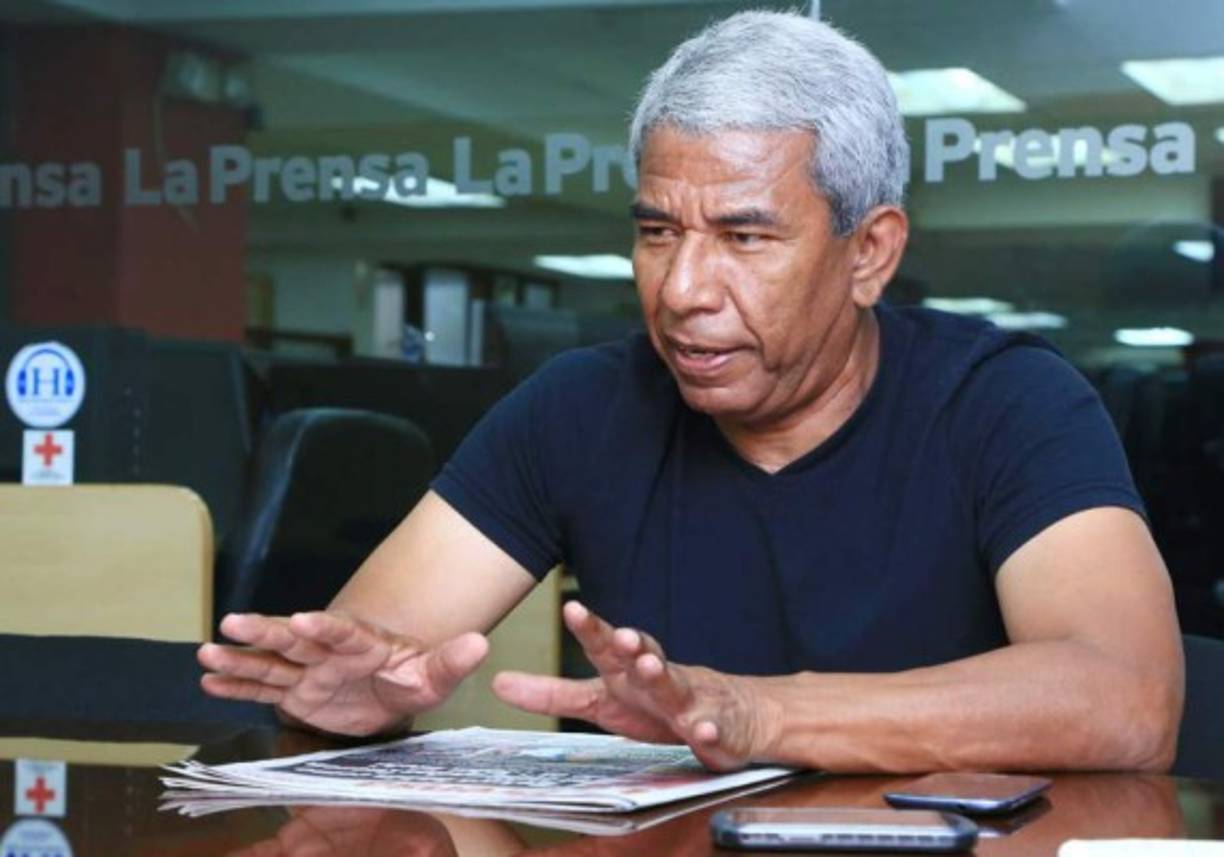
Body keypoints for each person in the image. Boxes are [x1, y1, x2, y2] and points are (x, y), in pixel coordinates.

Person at [199, 10, 1183, 773]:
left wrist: (760, 712)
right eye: (658, 231)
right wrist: (345, 698)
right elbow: (376, 646)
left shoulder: (1008, 401)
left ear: (869, 252)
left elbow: (1127, 693)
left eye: (746, 237)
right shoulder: (580, 406)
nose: (681, 291)